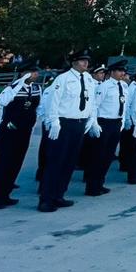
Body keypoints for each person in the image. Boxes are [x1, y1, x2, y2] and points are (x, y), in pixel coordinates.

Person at [38, 50, 97, 212]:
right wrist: (54, 121)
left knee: (69, 162)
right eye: (81, 61)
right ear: (73, 62)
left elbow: (92, 101)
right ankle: (46, 198)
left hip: (79, 124)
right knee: (56, 161)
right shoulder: (63, 79)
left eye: (87, 61)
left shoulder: (89, 79)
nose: (85, 63)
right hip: (64, 123)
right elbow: (53, 101)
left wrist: (92, 118)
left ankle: (59, 194)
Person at [0, 61, 42, 209]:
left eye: (36, 72)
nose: (35, 74)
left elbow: (38, 107)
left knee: (16, 162)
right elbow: (2, 101)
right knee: (3, 163)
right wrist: (19, 83)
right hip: (9, 131)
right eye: (31, 72)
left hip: (25, 131)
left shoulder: (36, 88)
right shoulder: (12, 88)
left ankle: (5, 194)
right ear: (23, 73)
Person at [83, 59, 127, 196]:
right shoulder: (104, 86)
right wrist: (94, 123)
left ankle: (100, 183)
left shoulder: (123, 86)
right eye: (119, 71)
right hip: (104, 123)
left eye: (123, 71)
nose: (122, 73)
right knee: (98, 156)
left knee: (108, 156)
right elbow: (95, 106)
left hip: (116, 123)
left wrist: (123, 121)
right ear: (112, 72)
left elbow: (124, 105)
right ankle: (92, 186)